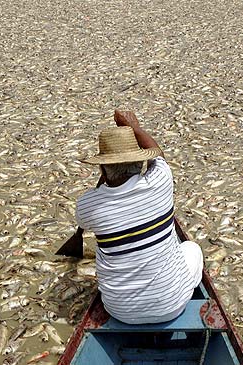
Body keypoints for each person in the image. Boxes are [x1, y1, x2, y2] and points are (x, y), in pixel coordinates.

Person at [74, 110, 203, 324]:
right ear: (139, 163)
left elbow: (85, 218)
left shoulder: (88, 204)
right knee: (192, 249)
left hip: (120, 311)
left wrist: (104, 180)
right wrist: (135, 127)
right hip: (172, 305)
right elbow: (157, 155)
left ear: (102, 170)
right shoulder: (160, 181)